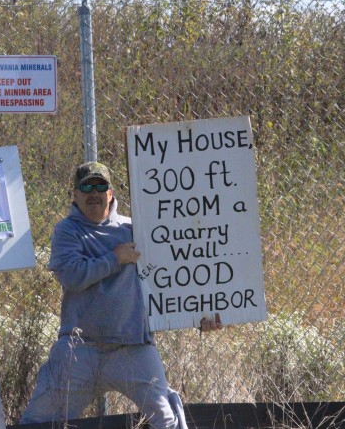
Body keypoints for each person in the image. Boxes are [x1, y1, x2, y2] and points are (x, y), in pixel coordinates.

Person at [20, 161, 222, 428]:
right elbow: (73, 276)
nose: (94, 192)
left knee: (167, 420)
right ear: (75, 194)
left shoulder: (138, 230)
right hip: (80, 349)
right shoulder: (67, 231)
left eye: (100, 185)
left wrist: (202, 315)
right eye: (86, 186)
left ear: (111, 192)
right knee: (39, 420)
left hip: (133, 348)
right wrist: (115, 258)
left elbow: (177, 274)